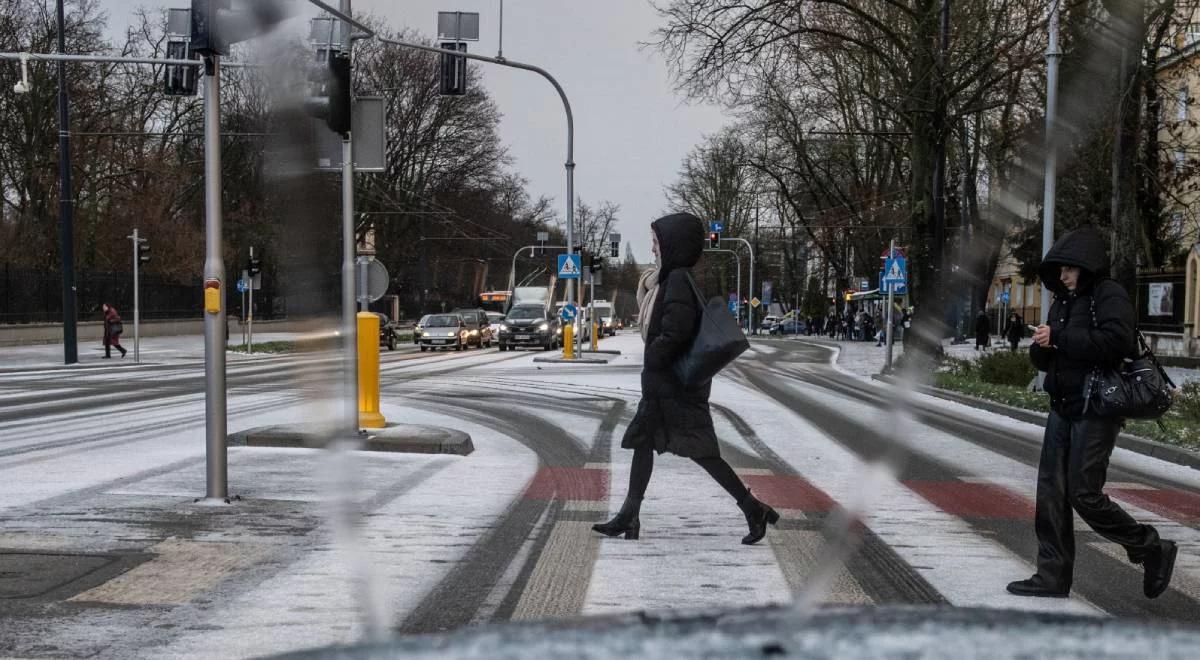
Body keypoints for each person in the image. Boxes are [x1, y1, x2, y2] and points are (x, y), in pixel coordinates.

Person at [1007, 227, 1176, 600]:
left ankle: (1149, 546)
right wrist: (1042, 347)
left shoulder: (1108, 294)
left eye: (1070, 268)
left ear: (1086, 265)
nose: (1064, 276)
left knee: (1084, 494)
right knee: (1051, 494)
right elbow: (1051, 355)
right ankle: (1051, 576)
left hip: (1097, 407)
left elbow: (1117, 342)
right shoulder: (1063, 302)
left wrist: (1061, 339)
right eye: (1061, 270)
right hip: (1062, 406)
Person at [593, 212, 779, 545]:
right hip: (664, 387)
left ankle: (753, 508)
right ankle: (629, 516)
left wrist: (654, 356)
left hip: (675, 388)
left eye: (656, 241)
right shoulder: (666, 279)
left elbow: (676, 329)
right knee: (643, 444)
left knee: (702, 452)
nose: (653, 247)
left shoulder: (676, 279)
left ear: (672, 244)